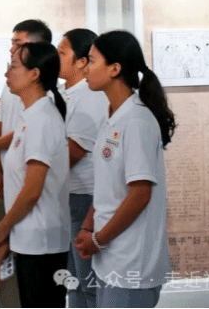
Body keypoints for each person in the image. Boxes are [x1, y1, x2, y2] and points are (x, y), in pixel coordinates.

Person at [75, 30, 175, 309]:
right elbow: (107, 187)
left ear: (115, 69)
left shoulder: (136, 120)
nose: (85, 68)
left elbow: (140, 194)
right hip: (111, 257)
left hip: (132, 262)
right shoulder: (112, 116)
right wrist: (88, 226)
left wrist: (98, 239)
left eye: (92, 60)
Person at [0, 42, 70, 308]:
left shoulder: (43, 119)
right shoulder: (30, 116)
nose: (7, 73)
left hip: (43, 244)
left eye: (13, 67)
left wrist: (3, 228)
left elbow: (31, 191)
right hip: (29, 240)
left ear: (34, 74)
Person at [0, 20, 52, 308]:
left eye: (19, 43)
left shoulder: (49, 93)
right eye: (12, 43)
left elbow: (27, 130)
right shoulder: (10, 83)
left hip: (28, 192)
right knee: (4, 260)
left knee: (30, 267)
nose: (12, 49)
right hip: (8, 188)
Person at [57, 29, 108, 308]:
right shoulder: (66, 94)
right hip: (69, 197)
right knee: (72, 281)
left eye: (62, 52)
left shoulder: (88, 96)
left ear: (81, 61)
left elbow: (73, 152)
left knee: (87, 283)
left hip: (84, 197)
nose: (55, 57)